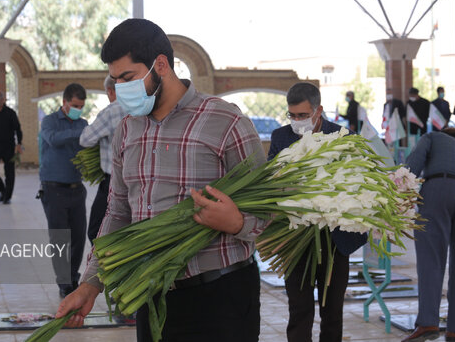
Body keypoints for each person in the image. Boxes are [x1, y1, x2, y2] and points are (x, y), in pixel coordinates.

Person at [56, 18, 269, 342]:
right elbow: (117, 212)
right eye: (115, 80)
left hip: (221, 296)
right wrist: (91, 283)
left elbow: (269, 208)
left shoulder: (225, 120)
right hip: (153, 294)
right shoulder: (127, 129)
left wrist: (237, 221)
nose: (121, 88)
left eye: (128, 77)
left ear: (161, 65)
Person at [267, 82, 368, 342]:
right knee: (299, 310)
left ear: (318, 110)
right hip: (295, 238)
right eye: (292, 115)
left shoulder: (343, 136)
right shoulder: (281, 137)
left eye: (303, 115)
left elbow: (359, 180)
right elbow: (270, 182)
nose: (297, 121)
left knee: (332, 312)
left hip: (334, 239)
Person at [403, 128, 455, 342]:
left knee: (431, 259)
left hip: (438, 189)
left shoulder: (433, 137)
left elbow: (413, 164)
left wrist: (399, 190)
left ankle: (428, 322)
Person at [39, 83, 89, 298]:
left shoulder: (83, 123)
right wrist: (78, 132)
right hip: (54, 189)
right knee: (60, 239)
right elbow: (53, 139)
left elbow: (87, 144)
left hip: (77, 189)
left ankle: (73, 278)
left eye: (81, 106)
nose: (79, 109)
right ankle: (63, 283)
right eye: (75, 105)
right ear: (65, 103)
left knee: (78, 238)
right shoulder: (50, 121)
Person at [79, 76, 127, 243]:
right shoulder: (143, 108)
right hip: (139, 180)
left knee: (95, 230)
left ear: (110, 91)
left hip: (113, 182)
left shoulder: (111, 112)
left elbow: (85, 139)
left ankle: (106, 265)